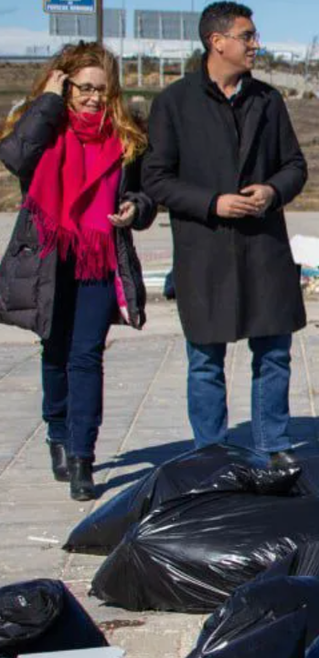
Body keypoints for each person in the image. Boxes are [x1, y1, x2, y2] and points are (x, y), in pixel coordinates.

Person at [143, 2, 308, 469]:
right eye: (247, 36)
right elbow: (156, 179)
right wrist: (212, 202)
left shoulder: (267, 100)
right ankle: (211, 454)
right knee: (205, 360)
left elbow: (295, 166)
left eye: (254, 36)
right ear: (217, 42)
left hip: (263, 246)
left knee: (274, 353)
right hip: (206, 249)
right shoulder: (174, 103)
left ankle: (272, 445)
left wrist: (272, 191)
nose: (256, 44)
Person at [0, 43, 154, 501]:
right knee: (55, 348)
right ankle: (58, 435)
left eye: (101, 91)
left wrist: (134, 208)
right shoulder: (44, 124)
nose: (92, 98)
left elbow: (147, 195)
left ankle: (83, 456)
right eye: (82, 88)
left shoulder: (128, 138)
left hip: (99, 255)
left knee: (87, 355)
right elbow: (15, 158)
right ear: (64, 87)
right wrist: (47, 101)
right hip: (49, 254)